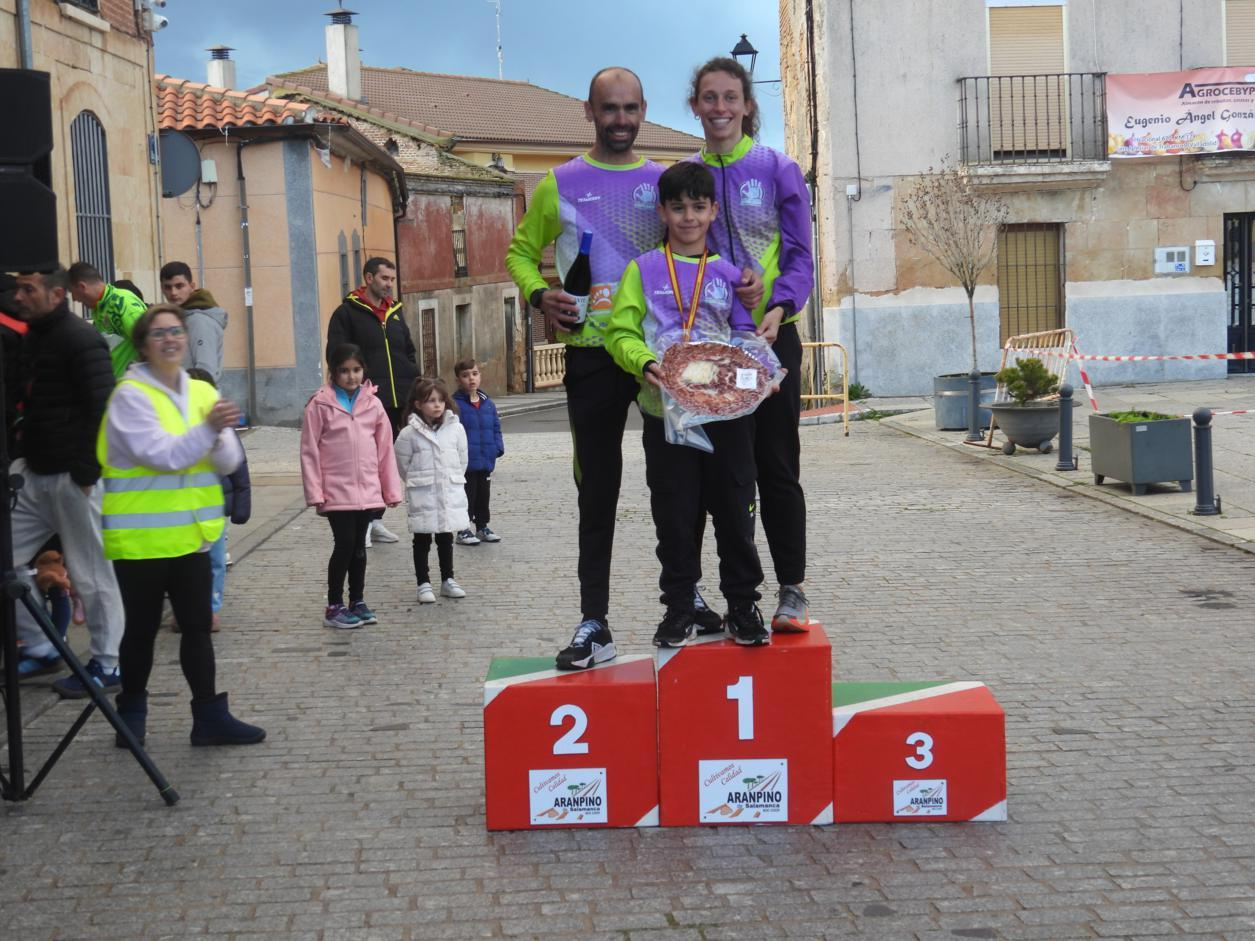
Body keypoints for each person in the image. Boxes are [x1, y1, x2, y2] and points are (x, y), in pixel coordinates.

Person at [506, 67, 760, 670]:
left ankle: (689, 597)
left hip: (668, 367)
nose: (620, 119)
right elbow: (520, 252)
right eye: (608, 109)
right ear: (589, 113)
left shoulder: (663, 182)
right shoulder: (557, 183)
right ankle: (595, 620)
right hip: (596, 354)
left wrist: (752, 288)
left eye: (630, 109)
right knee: (597, 490)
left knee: (684, 485)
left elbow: (713, 252)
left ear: (643, 110)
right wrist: (541, 296)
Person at [604, 161, 771, 647]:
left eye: (698, 207)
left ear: (714, 211)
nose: (688, 217)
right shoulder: (643, 269)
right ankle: (679, 608)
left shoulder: (727, 275)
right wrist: (643, 363)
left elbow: (744, 335)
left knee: (737, 514)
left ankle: (743, 605)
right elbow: (620, 331)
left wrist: (762, 374)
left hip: (726, 417)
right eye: (678, 208)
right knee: (675, 517)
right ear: (662, 211)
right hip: (666, 414)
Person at [98, 304, 264, 746]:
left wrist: (216, 433)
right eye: (159, 334)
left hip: (192, 535)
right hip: (140, 540)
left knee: (196, 627)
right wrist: (210, 430)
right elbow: (164, 455)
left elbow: (228, 459)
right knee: (140, 630)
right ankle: (131, 718)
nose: (170, 339)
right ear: (142, 345)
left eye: (176, 331)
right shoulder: (129, 396)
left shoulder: (199, 392)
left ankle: (209, 717)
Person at [689, 57, 816, 632]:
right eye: (709, 98)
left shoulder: (777, 168)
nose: (720, 108)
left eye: (730, 97)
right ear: (695, 105)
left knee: (776, 465)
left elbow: (800, 257)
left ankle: (792, 588)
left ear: (746, 105)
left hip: (772, 338)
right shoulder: (686, 177)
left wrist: (782, 304)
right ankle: (742, 596)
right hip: (713, 347)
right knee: (730, 474)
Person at [8, 267, 125, 698]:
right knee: (7, 561)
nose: (18, 296)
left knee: (91, 572)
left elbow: (101, 407)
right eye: (17, 288)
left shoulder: (81, 338)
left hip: (73, 477)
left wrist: (86, 471)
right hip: (35, 473)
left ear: (57, 294)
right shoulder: (34, 337)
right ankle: (41, 645)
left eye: (28, 289)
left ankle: (108, 663)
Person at [300, 343, 402, 629]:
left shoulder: (373, 404)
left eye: (356, 370)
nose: (351, 376)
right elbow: (310, 450)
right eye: (344, 371)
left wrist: (390, 489)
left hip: (367, 490)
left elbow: (385, 450)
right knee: (344, 544)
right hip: (336, 490)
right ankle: (334, 605)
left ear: (364, 371)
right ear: (333, 372)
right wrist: (315, 491)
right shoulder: (320, 404)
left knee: (359, 547)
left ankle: (357, 600)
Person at [325, 256, 417, 547]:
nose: (390, 284)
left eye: (392, 279)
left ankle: (376, 519)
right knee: (364, 460)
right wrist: (353, 389)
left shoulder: (396, 312)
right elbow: (337, 355)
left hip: (399, 398)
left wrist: (411, 380)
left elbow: (408, 350)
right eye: (384, 279)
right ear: (368, 278)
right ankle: (361, 521)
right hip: (364, 400)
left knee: (386, 460)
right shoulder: (347, 313)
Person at [395, 377, 469, 604]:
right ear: (418, 404)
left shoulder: (455, 428)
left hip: (448, 490)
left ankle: (448, 579)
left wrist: (451, 478)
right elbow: (402, 463)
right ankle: (423, 582)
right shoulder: (409, 434)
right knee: (422, 539)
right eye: (430, 401)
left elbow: (462, 459)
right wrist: (419, 480)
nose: (437, 405)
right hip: (423, 492)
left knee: (446, 537)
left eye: (440, 400)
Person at [187, 367, 249, 632]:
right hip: (183, 511)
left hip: (214, 509)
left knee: (214, 561)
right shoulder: (180, 428)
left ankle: (211, 609)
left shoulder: (222, 429)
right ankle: (185, 609)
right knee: (187, 565)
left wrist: (242, 506)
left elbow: (239, 469)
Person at [452, 358, 504, 545]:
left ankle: (482, 526)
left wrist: (497, 447)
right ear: (458, 380)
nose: (471, 379)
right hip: (466, 462)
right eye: (465, 376)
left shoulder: (487, 403)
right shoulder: (455, 405)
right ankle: (463, 529)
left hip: (485, 459)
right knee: (467, 495)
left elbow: (496, 427)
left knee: (484, 495)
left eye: (474, 374)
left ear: (480, 376)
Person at [67, 261, 145, 378]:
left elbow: (148, 342)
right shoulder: (100, 309)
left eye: (72, 293)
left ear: (82, 287)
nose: (74, 299)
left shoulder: (122, 302)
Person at [160, 262, 228, 383]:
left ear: (192, 286)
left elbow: (205, 371)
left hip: (197, 396)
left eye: (179, 286)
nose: (173, 293)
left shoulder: (199, 321)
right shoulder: (179, 317)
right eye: (168, 287)